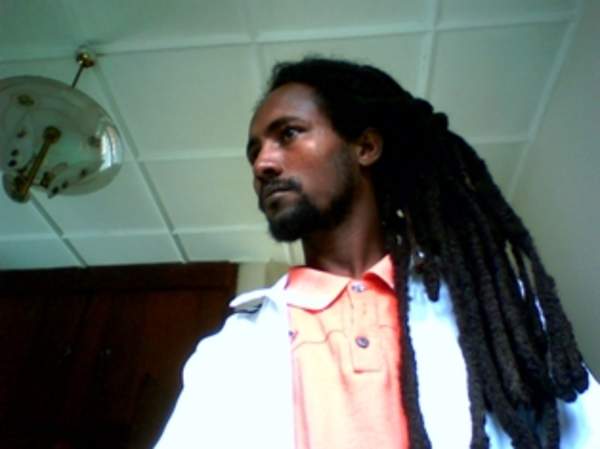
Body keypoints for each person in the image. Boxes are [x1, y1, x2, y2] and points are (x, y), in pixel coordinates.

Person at [154, 58, 600, 449]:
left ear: (365, 147)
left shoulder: (494, 309)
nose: (262, 164)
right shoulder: (232, 349)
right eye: (254, 152)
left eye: (288, 134)